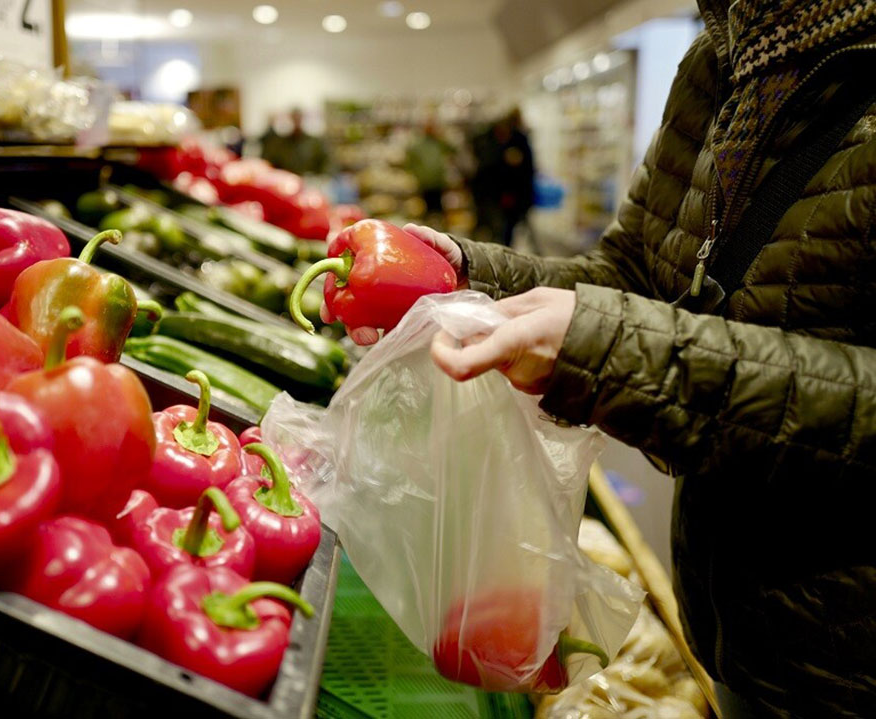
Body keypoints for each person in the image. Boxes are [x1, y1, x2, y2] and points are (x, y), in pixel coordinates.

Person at [333, 1, 876, 716]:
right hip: (746, 625)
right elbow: (636, 271)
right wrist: (461, 280)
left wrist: (609, 345)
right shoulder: (726, 56)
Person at [472, 107, 535, 245]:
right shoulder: (491, 141)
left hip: (510, 194)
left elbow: (526, 169)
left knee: (505, 230)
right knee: (499, 229)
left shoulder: (516, 140)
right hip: (498, 194)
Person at [405, 117, 453, 216]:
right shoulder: (417, 145)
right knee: (427, 207)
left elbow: (453, 150)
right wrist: (416, 175)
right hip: (425, 182)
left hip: (438, 181)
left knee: (439, 207)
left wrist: (442, 137)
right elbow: (410, 163)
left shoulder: (439, 142)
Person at [265, 107, 328, 176]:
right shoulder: (279, 144)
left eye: (298, 119)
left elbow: (326, 162)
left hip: (309, 181)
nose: (296, 122)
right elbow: (269, 162)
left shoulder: (315, 143)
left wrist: (321, 177)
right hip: (286, 181)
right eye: (294, 119)